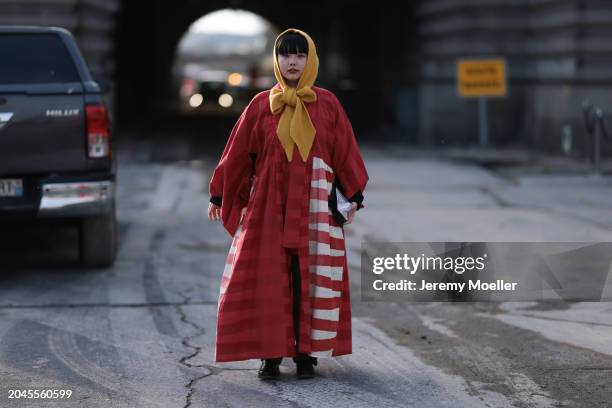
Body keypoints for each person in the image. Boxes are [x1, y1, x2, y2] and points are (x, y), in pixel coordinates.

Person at [207, 28, 369, 380]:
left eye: (299, 55)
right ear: (277, 60)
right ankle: (271, 353)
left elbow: (345, 151)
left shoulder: (327, 104)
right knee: (270, 277)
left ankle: (306, 354)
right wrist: (220, 193)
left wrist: (353, 195)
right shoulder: (260, 105)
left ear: (310, 60)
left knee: (309, 276)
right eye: (286, 54)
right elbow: (237, 153)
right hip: (268, 204)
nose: (292, 61)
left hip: (315, 204)